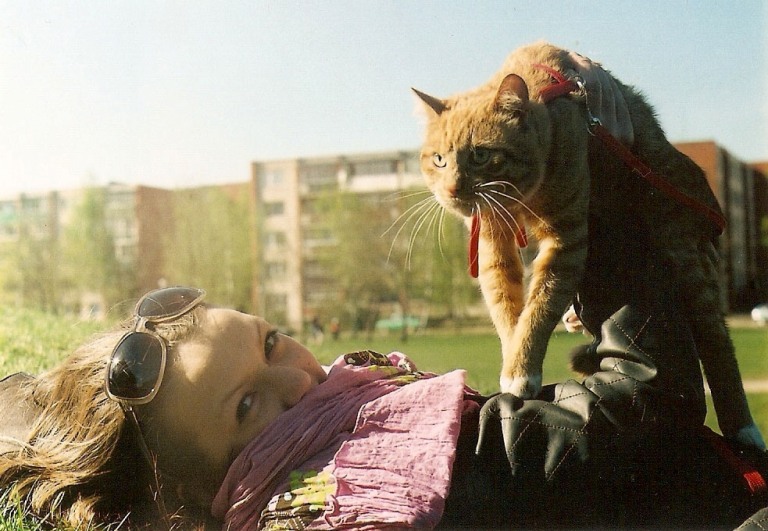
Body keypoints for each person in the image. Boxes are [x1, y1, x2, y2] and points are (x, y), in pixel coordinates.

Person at [1, 285, 767, 530]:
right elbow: (649, 401)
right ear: (196, 502)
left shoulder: (308, 491)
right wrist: (608, 233)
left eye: (271, 342)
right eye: (247, 405)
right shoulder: (402, 469)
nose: (299, 379)